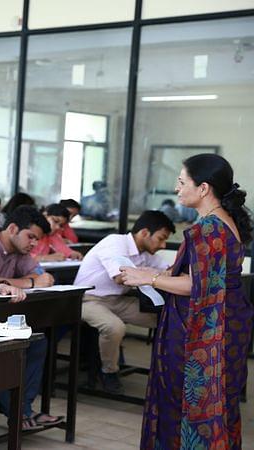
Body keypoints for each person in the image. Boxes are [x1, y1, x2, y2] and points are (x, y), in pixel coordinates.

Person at [119, 154, 253, 449]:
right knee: (219, 403)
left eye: (182, 182)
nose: (176, 188)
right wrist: (157, 274)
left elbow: (197, 285)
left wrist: (148, 278)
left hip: (203, 331)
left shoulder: (209, 228)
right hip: (226, 322)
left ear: (203, 188)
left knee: (188, 402)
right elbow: (206, 276)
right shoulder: (222, 221)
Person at [0, 205, 60, 430]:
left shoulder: (19, 251)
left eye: (37, 240)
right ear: (13, 228)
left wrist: (31, 280)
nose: (34, 244)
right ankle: (18, 412)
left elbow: (43, 275)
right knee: (9, 349)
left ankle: (23, 408)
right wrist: (29, 282)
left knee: (38, 341)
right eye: (31, 237)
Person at [74, 210, 174, 394]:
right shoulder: (115, 243)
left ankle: (166, 372)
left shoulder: (145, 253)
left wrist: (160, 273)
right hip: (88, 300)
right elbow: (121, 277)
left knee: (167, 318)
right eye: (161, 238)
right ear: (144, 233)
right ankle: (109, 371)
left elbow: (169, 270)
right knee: (114, 327)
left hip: (117, 300)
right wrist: (154, 274)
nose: (163, 245)